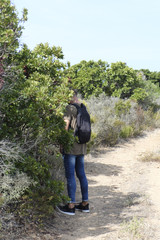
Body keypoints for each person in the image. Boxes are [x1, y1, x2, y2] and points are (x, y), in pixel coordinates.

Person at [57, 90, 89, 216]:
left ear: (70, 96)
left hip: (71, 147)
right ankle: (85, 204)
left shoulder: (69, 108)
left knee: (70, 175)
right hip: (82, 146)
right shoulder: (82, 107)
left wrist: (61, 144)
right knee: (81, 174)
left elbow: (66, 126)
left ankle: (71, 206)